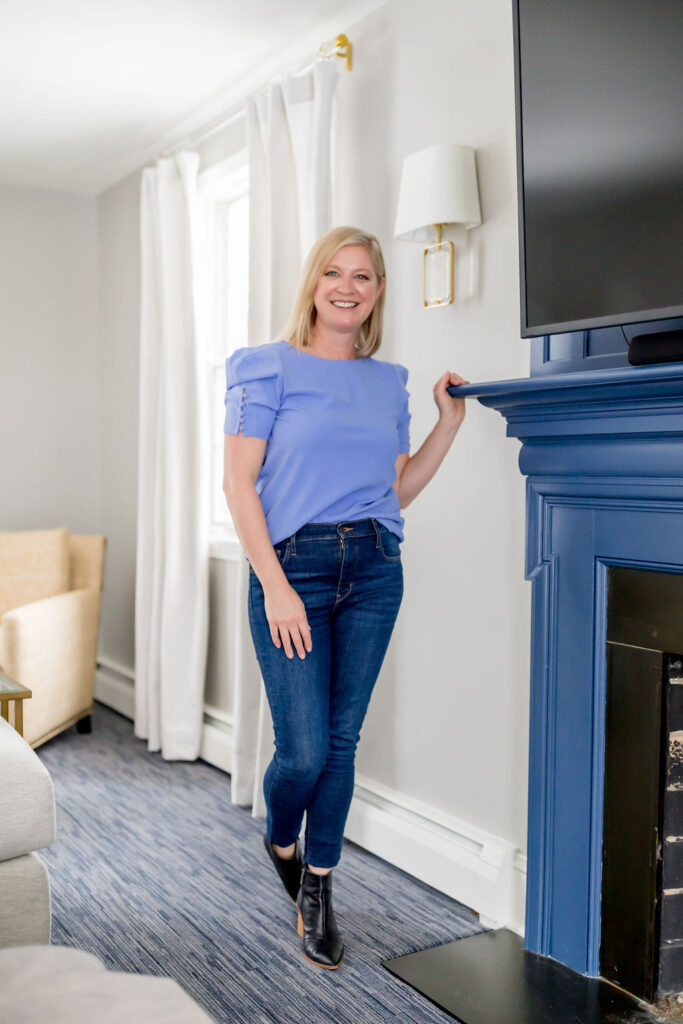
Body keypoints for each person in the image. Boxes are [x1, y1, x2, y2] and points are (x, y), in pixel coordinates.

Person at [222, 226, 467, 970]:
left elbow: (394, 490)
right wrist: (274, 588)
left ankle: (319, 885)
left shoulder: (386, 381)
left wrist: (445, 427)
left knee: (340, 742)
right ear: (312, 283)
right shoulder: (263, 366)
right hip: (290, 568)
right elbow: (239, 484)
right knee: (300, 751)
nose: (347, 287)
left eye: (363, 276)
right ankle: (280, 835)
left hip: (372, 567)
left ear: (378, 291)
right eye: (334, 272)